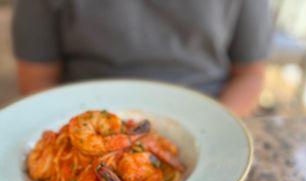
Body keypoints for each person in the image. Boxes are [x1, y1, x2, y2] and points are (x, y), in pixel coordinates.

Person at [12, 0, 271, 117]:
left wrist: (217, 127)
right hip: (85, 115)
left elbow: (250, 73)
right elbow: (37, 79)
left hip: (209, 111)